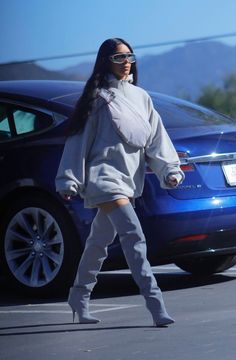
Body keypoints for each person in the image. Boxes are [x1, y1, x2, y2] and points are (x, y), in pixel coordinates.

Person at [55, 38, 184, 327]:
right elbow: (78, 141)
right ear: (106, 61)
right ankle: (156, 306)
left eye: (130, 56)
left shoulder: (141, 97)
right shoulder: (97, 99)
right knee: (134, 237)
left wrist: (169, 170)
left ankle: (79, 297)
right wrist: (68, 180)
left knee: (98, 243)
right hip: (104, 179)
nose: (127, 61)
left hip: (128, 180)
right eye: (119, 56)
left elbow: (155, 139)